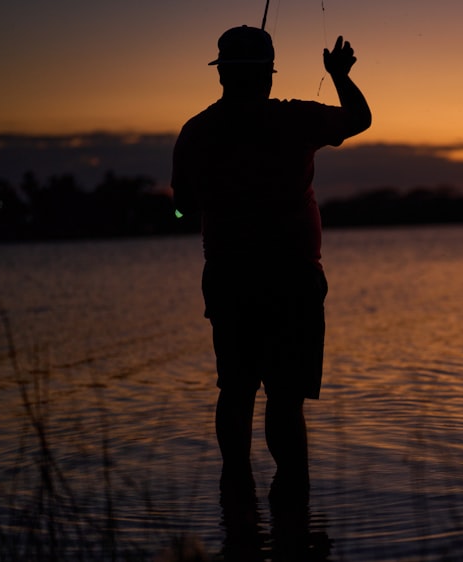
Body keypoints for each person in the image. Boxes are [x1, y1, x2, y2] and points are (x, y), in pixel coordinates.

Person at [171, 25, 371, 508]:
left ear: (222, 75)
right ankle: (292, 502)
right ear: (267, 74)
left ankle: (236, 495)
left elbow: (183, 206)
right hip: (293, 281)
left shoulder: (196, 131)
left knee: (235, 389)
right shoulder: (295, 119)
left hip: (228, 278)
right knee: (285, 397)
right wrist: (339, 75)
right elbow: (359, 118)